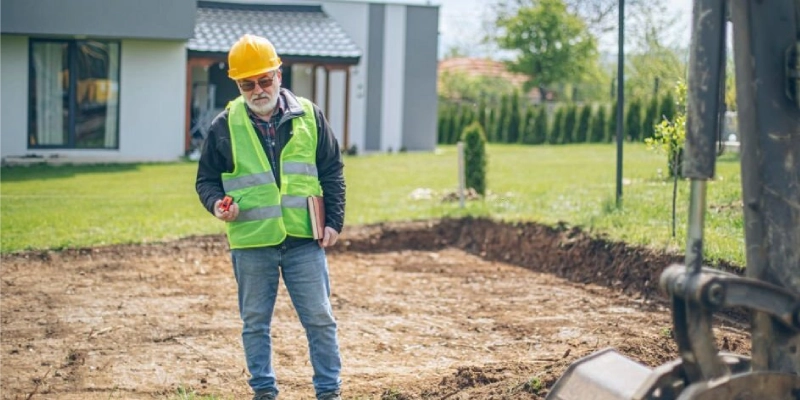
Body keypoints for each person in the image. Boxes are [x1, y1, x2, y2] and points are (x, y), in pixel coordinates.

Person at [195, 34, 346, 400]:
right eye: (248, 83)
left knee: (320, 320)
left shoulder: (310, 116)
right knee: (255, 324)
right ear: (238, 84)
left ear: (279, 74)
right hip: (251, 241)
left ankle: (329, 392)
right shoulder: (223, 125)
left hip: (303, 240)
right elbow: (206, 180)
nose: (258, 89)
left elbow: (331, 170)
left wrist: (334, 221)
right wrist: (217, 204)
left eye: (265, 80)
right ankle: (264, 392)